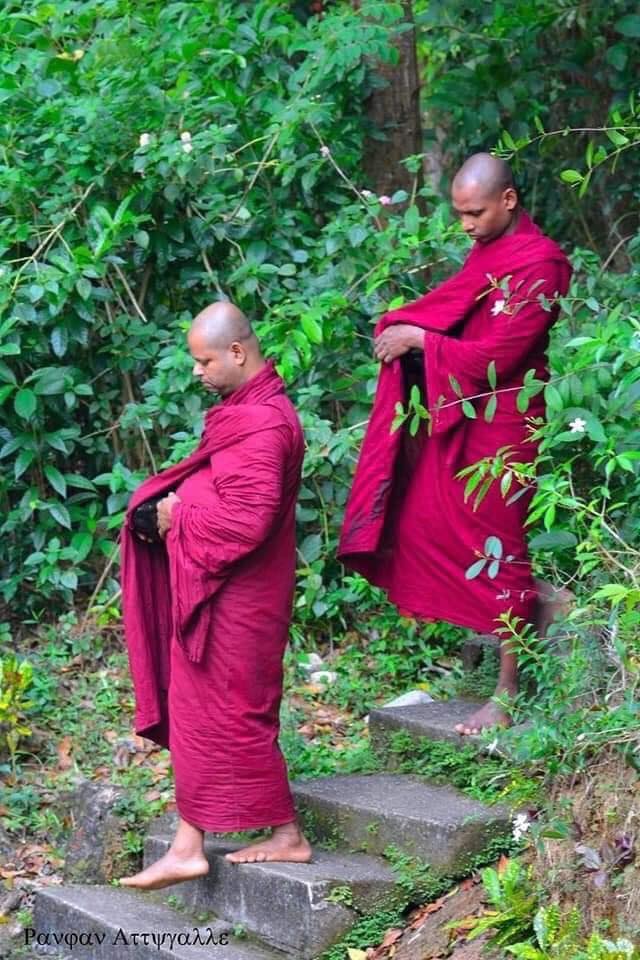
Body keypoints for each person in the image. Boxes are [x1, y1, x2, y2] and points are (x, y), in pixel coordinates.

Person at [338, 153, 573, 736]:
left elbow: (498, 356)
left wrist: (417, 335)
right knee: (427, 519)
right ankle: (534, 605)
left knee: (501, 541)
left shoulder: (542, 263)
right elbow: (461, 315)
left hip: (506, 418)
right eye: (460, 214)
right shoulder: (489, 249)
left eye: (476, 212)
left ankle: (508, 691)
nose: (466, 224)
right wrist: (416, 332)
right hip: (466, 413)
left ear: (509, 201)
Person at [118, 301, 311, 890]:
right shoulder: (247, 411)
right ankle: (194, 842)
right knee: (212, 710)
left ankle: (281, 836)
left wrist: (179, 512)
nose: (197, 372)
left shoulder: (263, 423)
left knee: (237, 711)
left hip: (239, 594)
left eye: (204, 360)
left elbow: (245, 523)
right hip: (222, 592)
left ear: (237, 352)